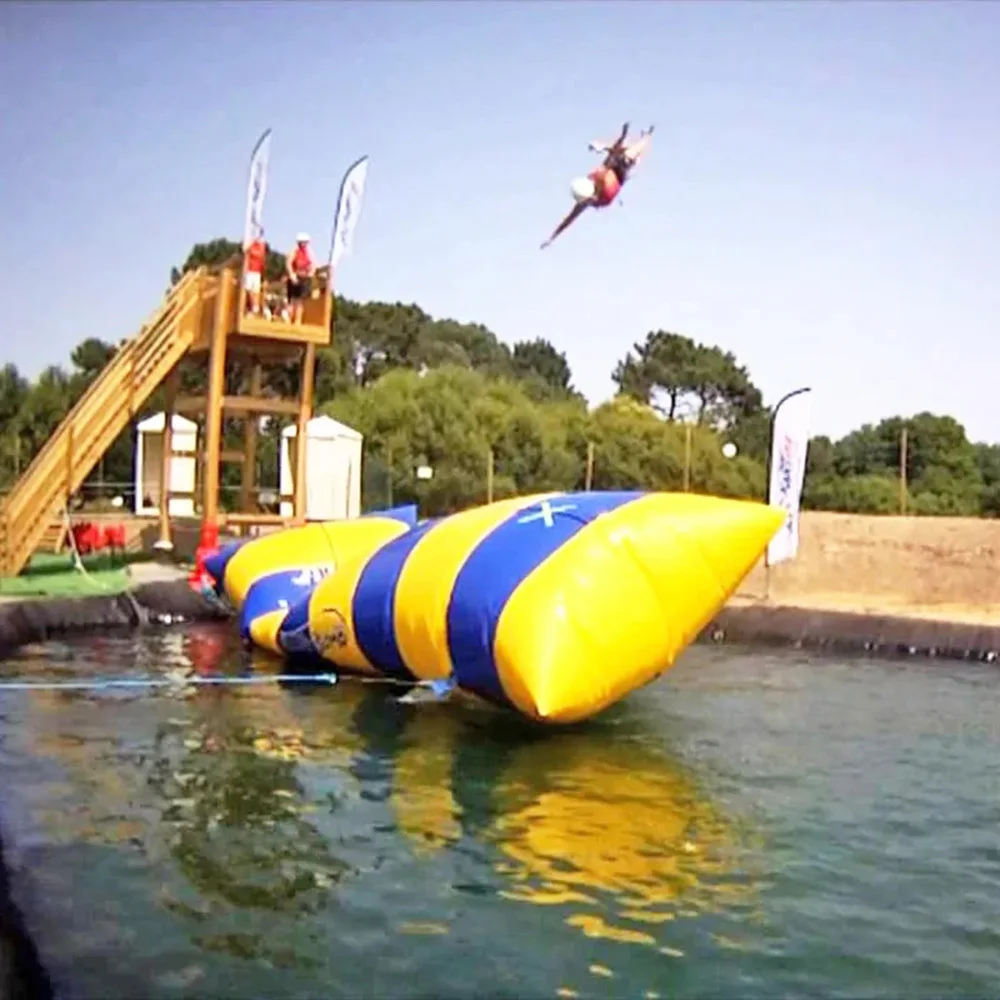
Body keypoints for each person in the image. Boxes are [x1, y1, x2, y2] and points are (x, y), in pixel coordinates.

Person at [540, 123, 654, 250]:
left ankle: (646, 136)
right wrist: (552, 238)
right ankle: (644, 138)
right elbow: (568, 220)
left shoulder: (600, 176)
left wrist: (616, 140)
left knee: (623, 157)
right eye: (590, 200)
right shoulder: (585, 201)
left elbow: (612, 155)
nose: (592, 199)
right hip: (620, 175)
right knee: (624, 159)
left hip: (617, 168)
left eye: (592, 197)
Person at [285, 232, 316, 324]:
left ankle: (297, 321)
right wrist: (292, 274)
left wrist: (310, 273)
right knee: (292, 300)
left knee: (300, 301)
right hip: (295, 276)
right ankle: (289, 320)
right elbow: (288, 263)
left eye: (306, 242)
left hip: (304, 277)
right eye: (303, 242)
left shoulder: (309, 252)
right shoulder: (294, 250)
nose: (304, 244)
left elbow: (313, 263)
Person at [242, 231, 267, 315]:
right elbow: (245, 250)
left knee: (255, 290)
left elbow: (262, 256)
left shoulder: (261, 246)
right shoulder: (252, 245)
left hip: (257, 272)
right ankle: (251, 307)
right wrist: (253, 241)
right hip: (249, 271)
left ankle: (255, 308)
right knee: (249, 289)